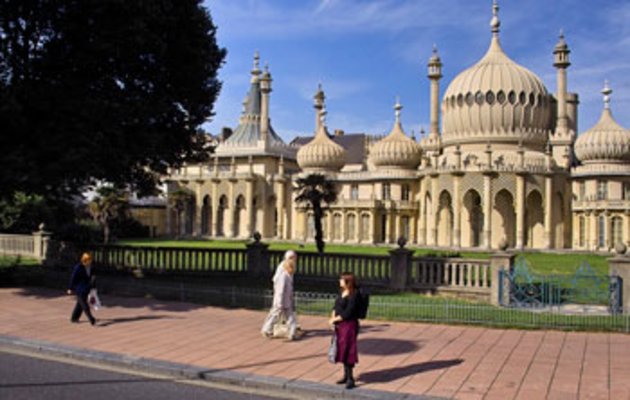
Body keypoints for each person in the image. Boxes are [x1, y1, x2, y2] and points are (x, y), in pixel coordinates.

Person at [329, 272, 360, 389]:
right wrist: (332, 318)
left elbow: (348, 312)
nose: (339, 281)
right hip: (340, 326)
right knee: (341, 349)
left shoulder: (353, 295)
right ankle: (345, 375)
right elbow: (336, 306)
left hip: (349, 326)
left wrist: (334, 319)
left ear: (348, 282)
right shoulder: (342, 292)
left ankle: (351, 378)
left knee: (349, 350)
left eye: (341, 279)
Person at [261, 250, 298, 340]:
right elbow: (280, 290)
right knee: (275, 315)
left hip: (286, 301)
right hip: (281, 301)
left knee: (290, 317)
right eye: (292, 267)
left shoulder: (288, 274)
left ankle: (292, 333)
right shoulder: (283, 275)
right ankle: (266, 329)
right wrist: (279, 302)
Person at [67, 252, 97, 326]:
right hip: (79, 289)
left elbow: (93, 277)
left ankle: (74, 318)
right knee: (84, 304)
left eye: (90, 260)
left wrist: (93, 286)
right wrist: (70, 288)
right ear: (84, 260)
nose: (90, 262)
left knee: (79, 304)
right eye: (88, 260)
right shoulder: (78, 267)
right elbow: (73, 278)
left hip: (87, 288)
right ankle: (91, 318)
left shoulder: (91, 267)